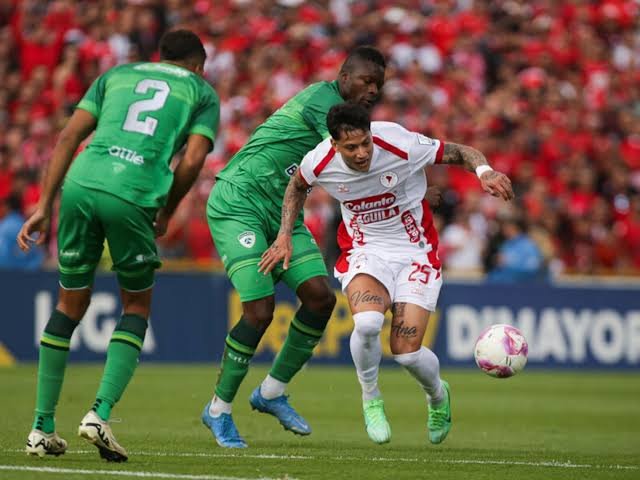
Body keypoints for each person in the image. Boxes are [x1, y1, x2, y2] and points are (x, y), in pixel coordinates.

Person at [18, 29, 220, 462]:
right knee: (136, 305)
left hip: (79, 183)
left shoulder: (117, 75)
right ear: (199, 66)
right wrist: (166, 209)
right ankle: (99, 414)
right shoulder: (201, 92)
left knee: (68, 305)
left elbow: (69, 136)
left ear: (159, 55)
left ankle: (40, 427)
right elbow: (193, 158)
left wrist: (43, 205)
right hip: (132, 192)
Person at [259, 103, 514, 445]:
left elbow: (460, 152)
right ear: (334, 145)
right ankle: (371, 398)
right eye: (351, 148)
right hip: (366, 252)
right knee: (366, 324)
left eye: (366, 143)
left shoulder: (398, 143)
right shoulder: (319, 161)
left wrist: (485, 172)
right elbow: (296, 187)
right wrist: (284, 234)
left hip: (415, 252)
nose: (362, 153)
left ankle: (438, 396)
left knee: (406, 352)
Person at [203, 46, 386, 448]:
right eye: (365, 81)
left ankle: (270, 393)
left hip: (282, 206)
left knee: (320, 299)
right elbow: (356, 163)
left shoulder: (352, 117)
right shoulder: (325, 104)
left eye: (378, 83)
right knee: (260, 310)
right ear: (343, 77)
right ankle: (218, 409)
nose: (372, 89)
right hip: (240, 202)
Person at [0, 193, 44, 270]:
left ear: (7, 207)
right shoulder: (28, 226)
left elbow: (2, 259)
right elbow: (38, 256)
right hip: (31, 275)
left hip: (8, 276)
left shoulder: (4, 227)